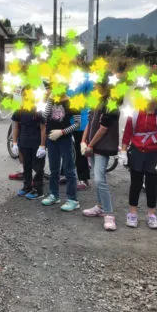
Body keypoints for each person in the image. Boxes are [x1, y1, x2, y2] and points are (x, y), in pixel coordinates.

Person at [119, 97, 157, 229]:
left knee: (151, 184)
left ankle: (151, 215)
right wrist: (124, 151)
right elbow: (127, 133)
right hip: (137, 152)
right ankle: (132, 213)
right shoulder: (135, 113)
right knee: (135, 183)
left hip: (154, 153)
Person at [81, 75, 120, 231]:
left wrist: (90, 144)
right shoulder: (96, 101)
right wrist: (83, 141)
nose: (95, 87)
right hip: (92, 145)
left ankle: (109, 214)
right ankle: (100, 206)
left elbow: (103, 128)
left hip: (102, 146)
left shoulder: (111, 105)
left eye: (97, 84)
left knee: (99, 179)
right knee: (98, 178)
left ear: (105, 86)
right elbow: (90, 122)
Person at [41, 89, 81, 212]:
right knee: (54, 168)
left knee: (69, 169)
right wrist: (50, 99)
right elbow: (44, 115)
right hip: (51, 137)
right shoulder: (52, 99)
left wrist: (62, 132)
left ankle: (72, 199)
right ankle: (54, 195)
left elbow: (77, 124)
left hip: (65, 139)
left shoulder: (72, 102)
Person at [11, 98, 47, 200]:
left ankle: (38, 190)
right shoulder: (20, 109)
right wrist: (14, 143)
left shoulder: (39, 109)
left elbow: (43, 128)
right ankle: (27, 186)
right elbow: (16, 126)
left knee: (37, 168)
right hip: (24, 142)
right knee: (26, 166)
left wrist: (42, 145)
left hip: (37, 143)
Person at [68, 71, 93, 190]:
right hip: (64, 117)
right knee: (66, 148)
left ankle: (83, 178)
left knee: (80, 150)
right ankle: (67, 174)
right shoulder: (59, 75)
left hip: (81, 117)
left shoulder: (86, 77)